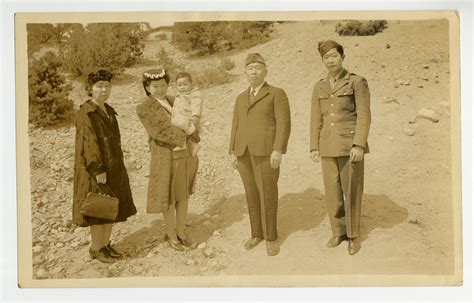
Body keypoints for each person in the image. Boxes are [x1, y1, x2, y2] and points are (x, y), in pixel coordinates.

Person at [309, 40, 371, 255]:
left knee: (352, 190)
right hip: (327, 146)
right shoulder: (319, 86)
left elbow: (364, 115)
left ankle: (353, 235)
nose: (330, 60)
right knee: (332, 192)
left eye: (334, 56)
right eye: (326, 57)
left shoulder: (356, 82)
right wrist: (314, 147)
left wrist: (359, 144)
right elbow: (316, 118)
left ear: (342, 57)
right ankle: (339, 231)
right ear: (322, 61)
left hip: (349, 145)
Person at [229, 53, 291, 256]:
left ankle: (271, 238)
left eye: (258, 67)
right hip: (243, 152)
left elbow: (283, 123)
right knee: (251, 194)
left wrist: (278, 149)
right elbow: (235, 125)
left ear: (265, 71)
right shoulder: (240, 98)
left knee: (268, 194)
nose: (254, 72)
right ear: (245, 72)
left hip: (266, 152)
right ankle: (256, 234)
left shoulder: (276, 93)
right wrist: (232, 150)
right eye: (250, 68)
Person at [72, 69, 137, 263]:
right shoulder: (86, 113)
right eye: (99, 86)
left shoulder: (108, 110)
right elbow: (88, 143)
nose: (104, 90)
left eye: (107, 86)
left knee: (111, 207)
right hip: (96, 170)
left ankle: (106, 244)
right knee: (98, 209)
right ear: (90, 89)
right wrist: (98, 168)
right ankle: (96, 248)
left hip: (113, 168)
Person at [136, 68, 198, 251]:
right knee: (168, 198)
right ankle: (171, 235)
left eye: (163, 85)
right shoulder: (144, 108)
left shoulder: (174, 100)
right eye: (155, 86)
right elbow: (160, 132)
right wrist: (187, 133)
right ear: (147, 88)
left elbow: (192, 120)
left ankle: (181, 231)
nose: (160, 89)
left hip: (184, 155)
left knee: (183, 196)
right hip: (165, 158)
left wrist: (193, 130)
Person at [171, 72, 203, 157]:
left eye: (185, 84)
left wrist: (195, 115)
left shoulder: (194, 94)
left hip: (188, 118)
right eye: (179, 85)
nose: (182, 87)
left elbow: (196, 104)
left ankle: (182, 145)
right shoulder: (179, 95)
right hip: (181, 118)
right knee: (180, 131)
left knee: (184, 129)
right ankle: (191, 145)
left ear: (191, 84)